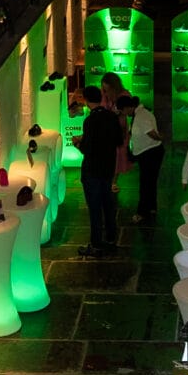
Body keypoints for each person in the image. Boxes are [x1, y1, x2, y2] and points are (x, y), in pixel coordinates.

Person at [73, 84, 123, 257]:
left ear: (86, 101)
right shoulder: (111, 116)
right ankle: (110, 237)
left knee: (95, 208)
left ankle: (96, 244)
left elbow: (87, 148)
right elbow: (119, 140)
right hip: (108, 167)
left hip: (92, 170)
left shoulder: (90, 121)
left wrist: (77, 143)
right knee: (108, 204)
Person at [118, 94, 163, 222]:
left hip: (150, 153)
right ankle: (152, 207)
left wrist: (160, 138)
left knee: (145, 183)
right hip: (150, 152)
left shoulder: (141, 116)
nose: (124, 114)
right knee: (150, 182)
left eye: (123, 111)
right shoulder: (140, 114)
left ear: (128, 108)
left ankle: (142, 212)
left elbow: (151, 132)